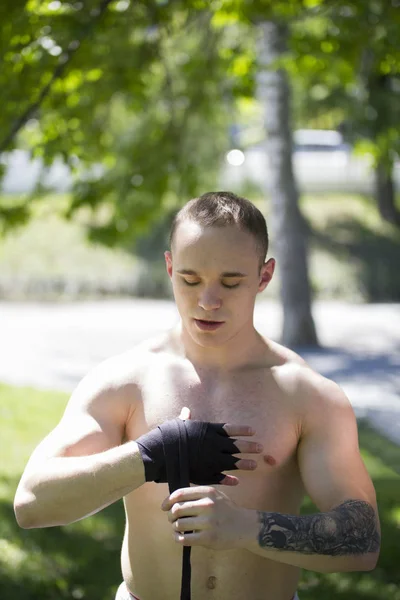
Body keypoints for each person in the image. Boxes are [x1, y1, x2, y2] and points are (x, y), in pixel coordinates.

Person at [14, 191, 380, 600]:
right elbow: (31, 502)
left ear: (264, 276)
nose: (208, 301)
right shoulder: (127, 380)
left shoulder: (306, 395)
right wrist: (153, 454)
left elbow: (362, 539)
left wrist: (245, 527)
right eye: (190, 280)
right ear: (170, 267)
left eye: (231, 282)